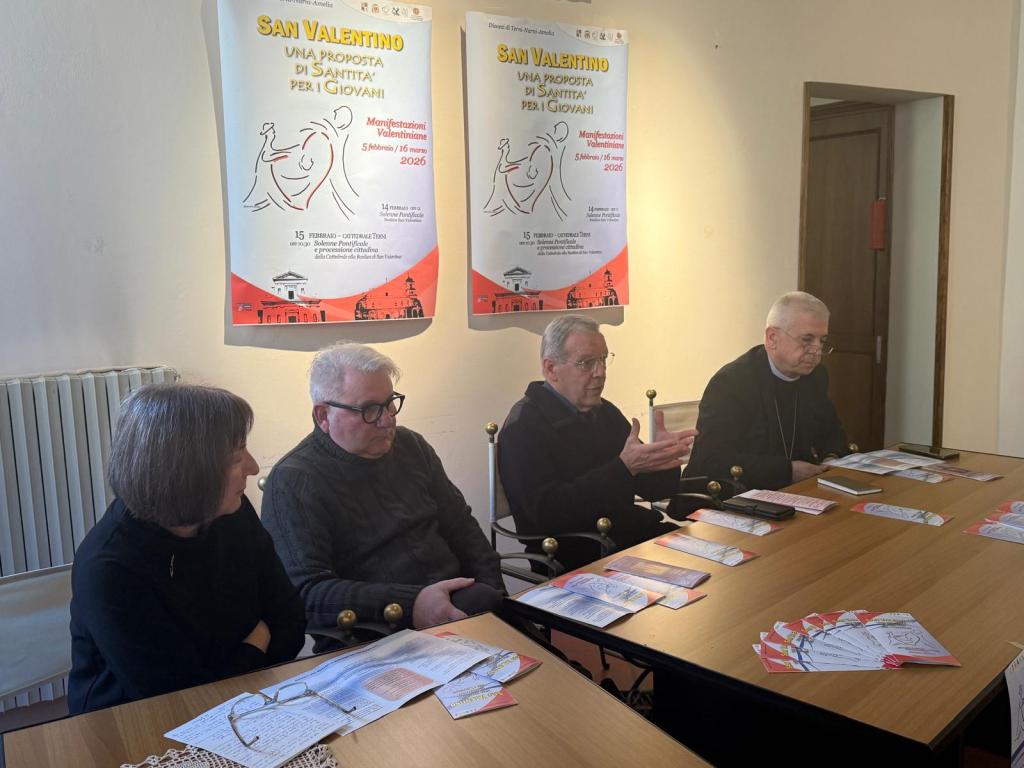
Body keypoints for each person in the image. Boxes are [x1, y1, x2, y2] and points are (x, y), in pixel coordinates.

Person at [68, 384, 305, 714]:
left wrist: (234, 664)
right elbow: (176, 699)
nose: (253, 467)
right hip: (130, 723)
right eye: (236, 458)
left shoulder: (232, 513)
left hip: (247, 705)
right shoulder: (109, 568)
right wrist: (256, 643)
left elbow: (291, 622)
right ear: (187, 473)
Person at [261, 343, 503, 647]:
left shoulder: (411, 446)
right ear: (323, 415)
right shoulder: (294, 481)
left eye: (390, 404)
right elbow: (307, 593)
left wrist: (496, 599)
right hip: (372, 637)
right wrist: (413, 604)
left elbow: (462, 527)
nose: (387, 420)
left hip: (460, 608)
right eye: (370, 409)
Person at [498, 315, 696, 572]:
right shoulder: (524, 426)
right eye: (586, 363)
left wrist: (665, 459)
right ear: (551, 369)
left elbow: (655, 491)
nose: (600, 373)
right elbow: (544, 515)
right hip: (578, 556)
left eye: (602, 359)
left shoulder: (605, 412)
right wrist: (622, 469)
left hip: (632, 540)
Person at [684, 290, 849, 491]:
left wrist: (831, 459)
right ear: (772, 338)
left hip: (799, 492)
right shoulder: (731, 383)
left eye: (822, 341)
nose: (816, 351)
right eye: (807, 339)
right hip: (733, 495)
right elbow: (712, 460)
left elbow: (833, 434)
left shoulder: (815, 377)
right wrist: (786, 471)